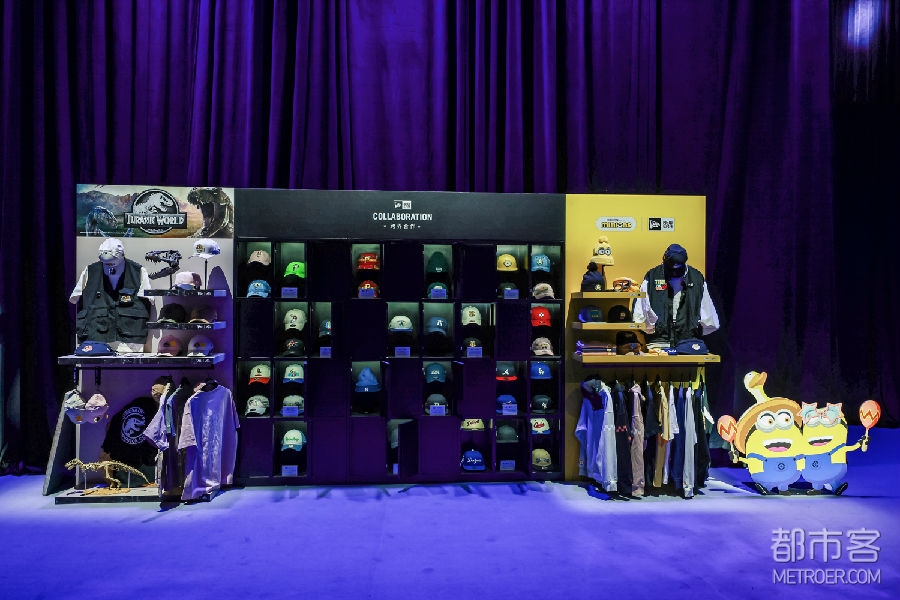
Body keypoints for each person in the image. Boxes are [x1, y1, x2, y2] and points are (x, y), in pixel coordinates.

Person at [69, 238, 152, 351]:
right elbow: (74, 298)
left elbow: (149, 301)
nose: (109, 266)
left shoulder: (138, 272)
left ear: (122, 255)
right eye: (106, 263)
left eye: (112, 263)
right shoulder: (90, 271)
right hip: (95, 341)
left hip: (129, 343)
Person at [633, 243, 719, 350]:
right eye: (671, 266)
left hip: (688, 341)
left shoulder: (696, 278)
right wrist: (651, 329)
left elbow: (707, 311)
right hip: (659, 340)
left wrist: (697, 329)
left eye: (678, 267)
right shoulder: (653, 276)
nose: (674, 270)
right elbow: (640, 308)